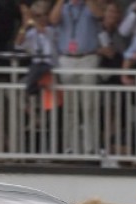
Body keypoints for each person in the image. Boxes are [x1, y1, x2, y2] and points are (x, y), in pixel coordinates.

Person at [50, 0, 105, 155]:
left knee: (88, 106)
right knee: (70, 107)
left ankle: (90, 148)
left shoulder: (90, 6)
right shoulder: (64, 8)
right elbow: (53, 20)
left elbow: (99, 14)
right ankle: (71, 147)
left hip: (87, 57)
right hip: (67, 58)